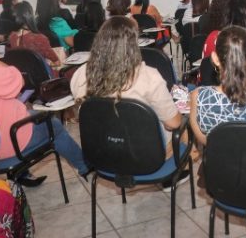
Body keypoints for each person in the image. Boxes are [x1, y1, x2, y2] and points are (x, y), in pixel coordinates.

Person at [0, 19, 89, 181]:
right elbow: (18, 81)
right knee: (54, 125)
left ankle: (22, 174)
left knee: (33, 114)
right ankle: (85, 166)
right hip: (9, 141)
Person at [71, 16, 184, 188]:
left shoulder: (79, 75)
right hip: (146, 156)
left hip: (102, 154)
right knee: (183, 125)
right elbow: (173, 123)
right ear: (133, 45)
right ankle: (174, 176)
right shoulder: (149, 77)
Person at [9, 1, 61, 68]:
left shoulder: (12, 37)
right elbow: (57, 62)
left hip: (21, 73)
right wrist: (48, 62)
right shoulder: (39, 38)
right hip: (41, 73)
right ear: (30, 16)